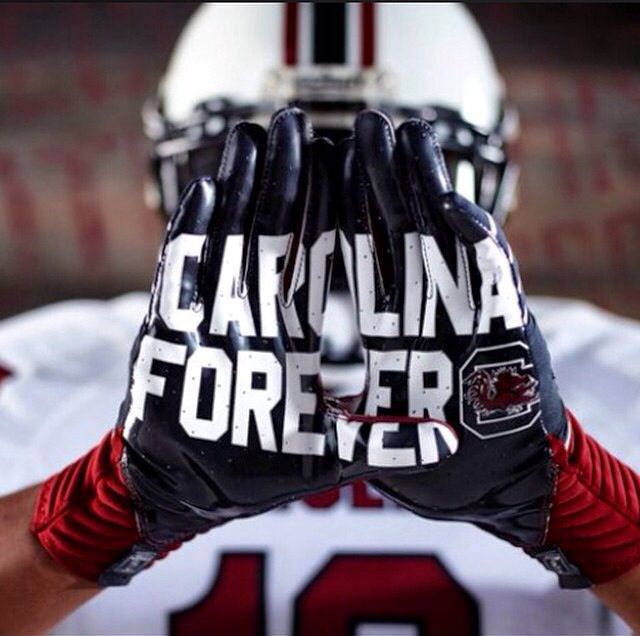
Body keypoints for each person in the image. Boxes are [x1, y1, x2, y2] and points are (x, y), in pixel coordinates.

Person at [0, 4, 639, 635]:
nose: (333, 231)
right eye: (288, 177)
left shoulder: (621, 375)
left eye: (385, 180)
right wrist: (105, 503)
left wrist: (588, 507)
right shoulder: (33, 375)